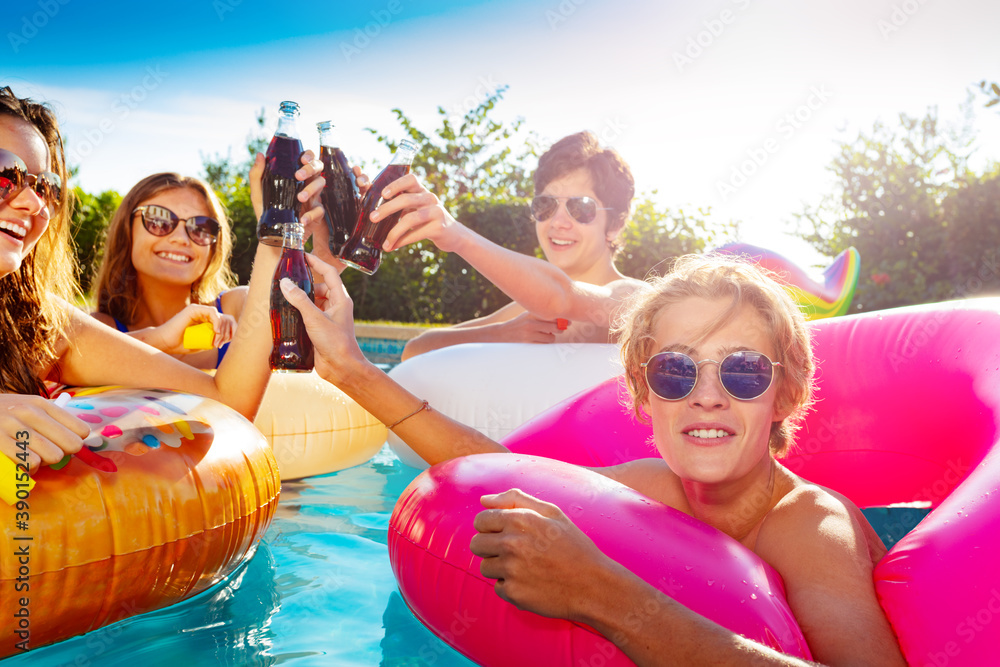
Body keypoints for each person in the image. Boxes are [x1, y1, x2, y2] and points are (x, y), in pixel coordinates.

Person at [278, 251, 906, 666]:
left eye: (742, 372)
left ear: (786, 394)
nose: (708, 396)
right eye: (675, 370)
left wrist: (601, 594)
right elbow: (500, 470)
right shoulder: (658, 487)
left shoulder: (810, 526)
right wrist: (351, 370)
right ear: (640, 392)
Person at [0, 85, 324, 474]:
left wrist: (277, 228)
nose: (33, 203)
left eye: (45, 187)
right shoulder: (83, 325)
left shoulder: (41, 327)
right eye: (6, 173)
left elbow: (228, 401)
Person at [341, 131, 645, 361]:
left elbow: (560, 296)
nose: (558, 222)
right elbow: (415, 350)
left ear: (616, 223)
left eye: (581, 208)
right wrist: (500, 334)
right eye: (546, 206)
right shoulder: (525, 311)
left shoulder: (636, 300)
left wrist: (457, 236)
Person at [91, 173, 244, 369]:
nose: (181, 238)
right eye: (158, 221)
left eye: (200, 227)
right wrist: (161, 339)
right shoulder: (99, 330)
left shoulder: (238, 309)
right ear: (126, 230)